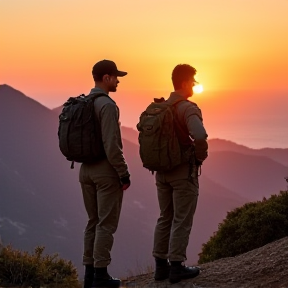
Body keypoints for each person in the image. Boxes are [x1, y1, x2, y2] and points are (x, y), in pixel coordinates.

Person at [152, 64, 208, 284]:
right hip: (183, 173)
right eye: (193, 81)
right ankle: (177, 266)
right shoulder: (187, 108)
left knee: (164, 217)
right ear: (184, 83)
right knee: (182, 219)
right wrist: (199, 157)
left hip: (161, 173)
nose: (194, 85)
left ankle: (160, 267)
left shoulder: (159, 107)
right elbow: (200, 135)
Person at [79, 60, 131, 288]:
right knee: (105, 224)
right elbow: (112, 145)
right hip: (105, 173)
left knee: (93, 221)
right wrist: (123, 173)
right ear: (107, 78)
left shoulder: (84, 102)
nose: (118, 81)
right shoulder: (107, 106)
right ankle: (101, 276)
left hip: (85, 171)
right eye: (116, 77)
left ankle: (89, 276)